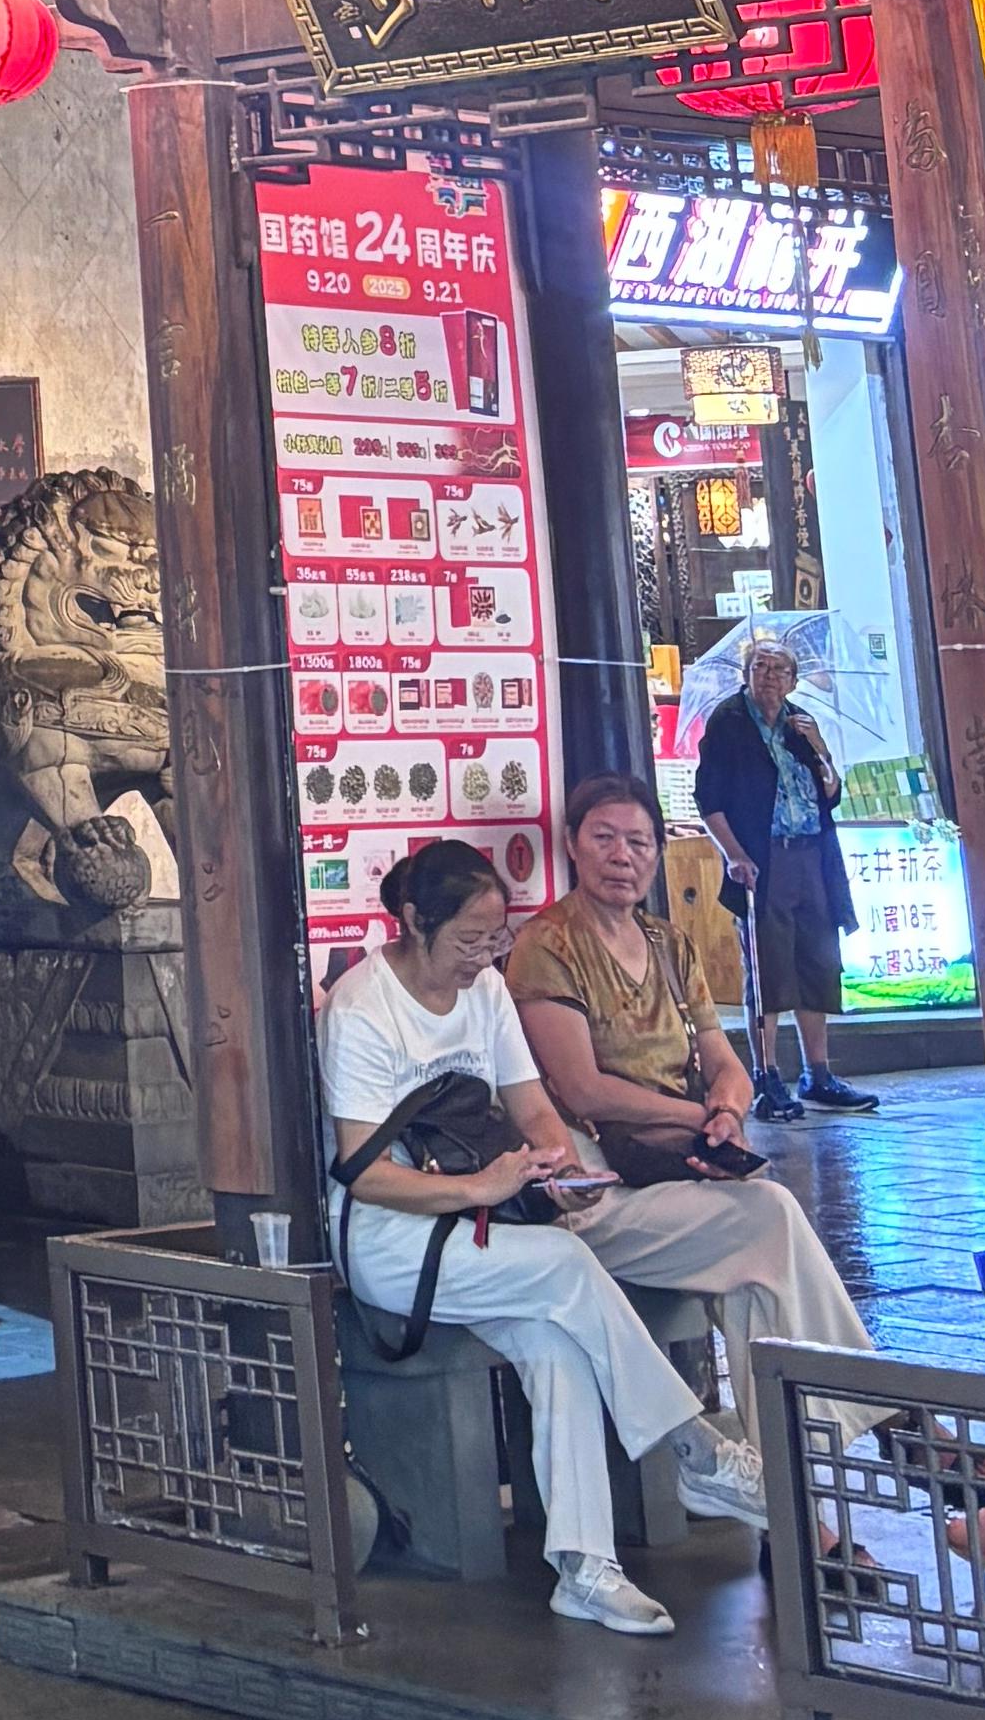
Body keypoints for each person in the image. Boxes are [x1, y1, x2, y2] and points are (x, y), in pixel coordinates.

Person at [320, 836, 774, 1636]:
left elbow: (530, 1104)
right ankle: (695, 1447)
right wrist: (480, 1188)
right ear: (415, 922)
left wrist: (556, 1164)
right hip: (394, 1243)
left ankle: (583, 1566)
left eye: (493, 939)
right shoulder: (362, 1008)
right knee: (566, 1265)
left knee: (557, 1343)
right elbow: (362, 1171)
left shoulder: (489, 990)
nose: (482, 957)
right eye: (468, 940)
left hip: (483, 1232)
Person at [508, 772, 876, 1427]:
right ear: (571, 844)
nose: (622, 857)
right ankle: (884, 1419)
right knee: (769, 1214)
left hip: (674, 1172)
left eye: (639, 842)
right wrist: (696, 1116)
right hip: (595, 1189)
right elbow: (582, 1088)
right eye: (604, 838)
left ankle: (790, 1478)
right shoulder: (548, 944)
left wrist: (728, 1112)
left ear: (658, 851)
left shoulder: (668, 943)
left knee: (754, 1286)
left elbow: (723, 1060)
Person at [696, 637, 875, 1113]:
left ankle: (818, 1074)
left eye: (779, 670)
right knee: (768, 968)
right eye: (760, 667)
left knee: (817, 960)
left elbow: (830, 793)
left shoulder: (801, 724)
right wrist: (734, 854)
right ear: (746, 674)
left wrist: (820, 749)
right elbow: (709, 799)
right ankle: (767, 1075)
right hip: (763, 859)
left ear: (794, 680)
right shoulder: (729, 722)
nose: (770, 677)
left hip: (813, 856)